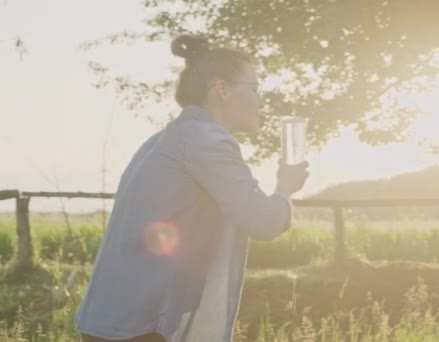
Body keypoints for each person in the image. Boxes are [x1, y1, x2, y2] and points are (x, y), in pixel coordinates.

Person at [75, 34, 310, 342]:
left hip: (112, 321)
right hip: (140, 328)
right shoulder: (207, 140)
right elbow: (263, 221)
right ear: (222, 89)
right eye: (254, 88)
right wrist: (284, 188)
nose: (260, 99)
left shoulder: (166, 140)